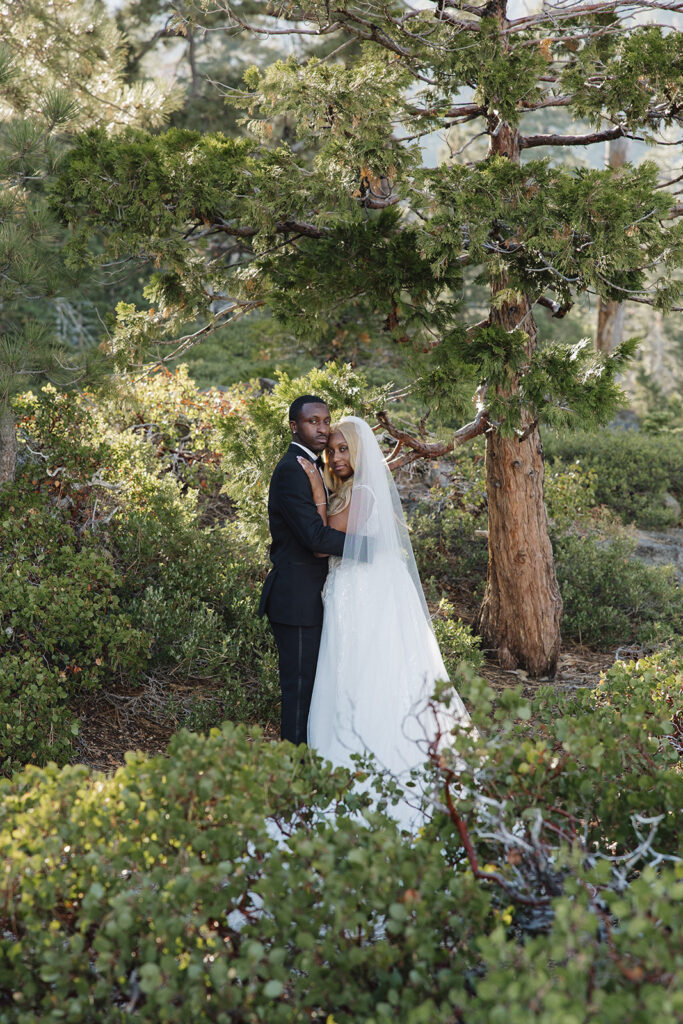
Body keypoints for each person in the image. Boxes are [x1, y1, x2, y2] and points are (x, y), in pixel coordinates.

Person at [297, 416, 471, 824]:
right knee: (349, 673)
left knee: (367, 673)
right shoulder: (350, 490)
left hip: (365, 597)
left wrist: (314, 491)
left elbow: (324, 544)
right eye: (331, 450)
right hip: (350, 593)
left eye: (344, 449)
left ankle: (376, 765)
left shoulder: (363, 492)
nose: (336, 457)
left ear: (358, 451)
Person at [258, 395, 347, 745]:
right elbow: (314, 538)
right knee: (299, 691)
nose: (322, 428)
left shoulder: (315, 466)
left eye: (326, 420)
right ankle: (293, 774)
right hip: (295, 602)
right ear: (294, 426)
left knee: (315, 689)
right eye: (313, 421)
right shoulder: (290, 471)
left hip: (315, 598)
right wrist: (369, 547)